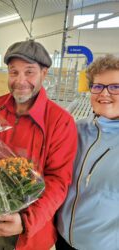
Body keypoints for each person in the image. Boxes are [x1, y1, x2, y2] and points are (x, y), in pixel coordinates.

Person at [0, 40, 78, 250]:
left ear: (44, 73)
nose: (20, 81)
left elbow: (58, 182)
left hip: (32, 234)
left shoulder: (60, 121)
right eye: (14, 72)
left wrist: (25, 222)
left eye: (29, 72)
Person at [56, 54, 119, 250]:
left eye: (115, 87)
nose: (104, 93)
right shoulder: (76, 130)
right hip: (62, 239)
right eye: (98, 86)